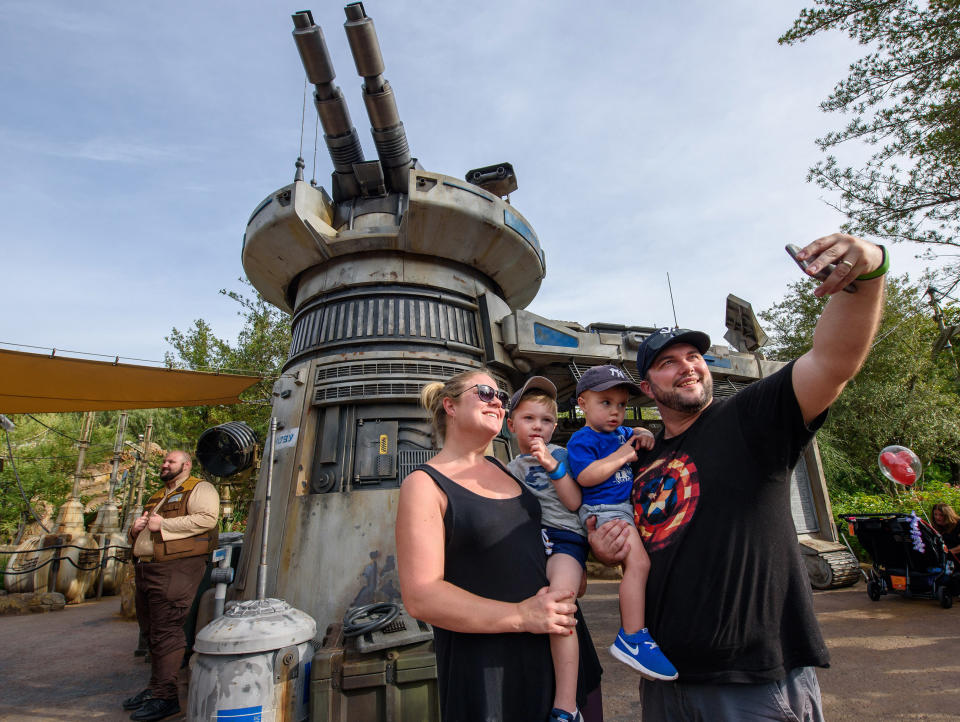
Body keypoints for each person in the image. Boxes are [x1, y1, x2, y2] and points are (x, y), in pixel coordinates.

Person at [589, 233, 888, 720]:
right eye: (668, 363)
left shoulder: (749, 418)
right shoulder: (638, 458)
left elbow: (833, 361)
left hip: (754, 683)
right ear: (647, 387)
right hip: (664, 680)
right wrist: (604, 546)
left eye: (694, 357)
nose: (687, 367)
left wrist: (868, 272)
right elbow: (615, 530)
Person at [396, 369, 602, 722]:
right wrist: (522, 616)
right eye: (485, 393)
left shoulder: (506, 469)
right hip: (493, 676)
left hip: (564, 659)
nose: (497, 402)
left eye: (502, 398)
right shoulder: (424, 484)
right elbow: (422, 596)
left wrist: (577, 563)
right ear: (450, 406)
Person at [566, 365, 674, 681]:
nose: (615, 412)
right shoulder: (582, 439)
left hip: (622, 508)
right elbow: (586, 476)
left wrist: (643, 434)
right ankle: (632, 635)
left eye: (622, 405)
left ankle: (637, 630)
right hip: (604, 510)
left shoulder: (622, 434)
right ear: (582, 403)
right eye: (606, 403)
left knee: (637, 566)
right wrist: (623, 456)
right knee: (639, 564)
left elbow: (642, 436)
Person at [506, 375, 589, 722]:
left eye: (546, 420)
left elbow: (573, 502)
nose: (538, 427)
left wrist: (553, 467)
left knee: (559, 605)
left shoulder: (563, 455)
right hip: (532, 544)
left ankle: (567, 706)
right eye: (529, 419)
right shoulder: (510, 468)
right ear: (511, 425)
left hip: (566, 540)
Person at [123, 450, 219, 722]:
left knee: (167, 630)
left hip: (176, 568)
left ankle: (166, 697)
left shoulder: (200, 488)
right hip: (147, 568)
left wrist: (163, 523)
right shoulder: (159, 494)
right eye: (164, 461)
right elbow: (147, 529)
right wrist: (135, 530)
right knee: (151, 630)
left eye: (171, 461)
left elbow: (206, 519)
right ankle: (155, 688)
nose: (164, 464)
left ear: (186, 465)